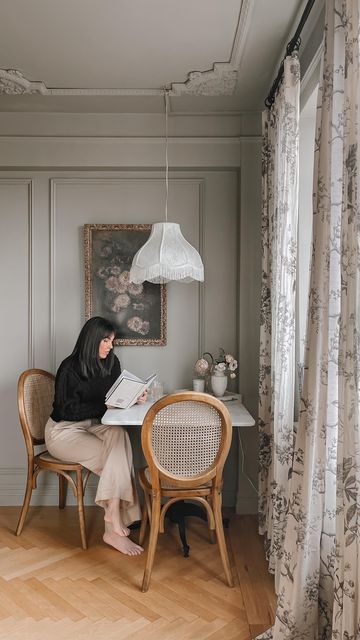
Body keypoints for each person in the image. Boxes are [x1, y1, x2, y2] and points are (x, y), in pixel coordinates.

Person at [45, 316, 145, 556]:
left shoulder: (112, 362)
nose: (110, 345)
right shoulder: (69, 367)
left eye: (112, 341)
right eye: (105, 340)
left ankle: (112, 512)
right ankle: (114, 527)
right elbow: (64, 410)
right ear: (91, 340)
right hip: (62, 431)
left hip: (91, 425)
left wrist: (133, 398)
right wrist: (105, 408)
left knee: (119, 436)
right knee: (116, 456)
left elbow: (114, 399)